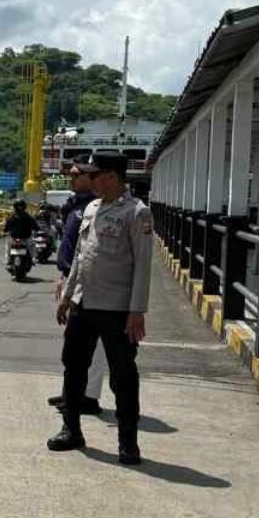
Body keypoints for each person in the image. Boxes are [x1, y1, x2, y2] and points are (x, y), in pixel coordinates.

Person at [49, 151, 154, 465]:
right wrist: (67, 297)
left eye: (93, 175)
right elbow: (81, 258)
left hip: (117, 309)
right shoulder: (92, 209)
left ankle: (128, 442)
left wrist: (137, 311)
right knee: (74, 366)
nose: (88, 180)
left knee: (123, 375)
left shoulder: (137, 213)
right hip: (84, 303)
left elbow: (143, 265)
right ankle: (71, 429)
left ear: (110, 176)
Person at [48, 156, 105, 415]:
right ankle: (71, 392)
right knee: (73, 343)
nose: (71, 179)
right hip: (69, 278)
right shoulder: (74, 206)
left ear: (90, 176)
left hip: (88, 282)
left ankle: (89, 396)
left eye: (75, 175)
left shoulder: (98, 207)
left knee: (92, 344)